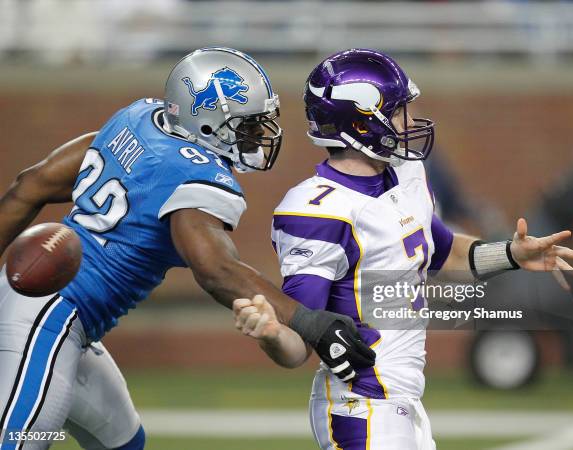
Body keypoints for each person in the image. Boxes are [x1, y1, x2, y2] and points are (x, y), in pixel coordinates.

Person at [0, 47, 375, 450]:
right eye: (246, 124)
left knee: (123, 443)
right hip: (49, 316)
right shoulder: (197, 175)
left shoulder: (139, 118)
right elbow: (216, 270)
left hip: (59, 317)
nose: (257, 135)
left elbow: (30, 184)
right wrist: (309, 322)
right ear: (209, 123)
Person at [233, 48, 573, 450]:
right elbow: (299, 342)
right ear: (362, 120)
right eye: (400, 110)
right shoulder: (318, 210)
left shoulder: (406, 175)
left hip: (404, 402)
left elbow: (444, 253)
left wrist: (511, 255)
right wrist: (269, 333)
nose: (411, 121)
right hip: (362, 405)